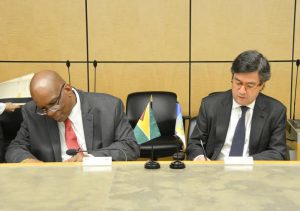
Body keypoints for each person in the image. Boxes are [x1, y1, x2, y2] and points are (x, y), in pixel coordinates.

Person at [5, 70, 140, 162]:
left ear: (68, 89)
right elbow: (15, 148)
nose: (50, 113)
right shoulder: (32, 112)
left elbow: (129, 147)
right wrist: (31, 163)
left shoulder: (109, 107)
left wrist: (89, 158)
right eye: (44, 109)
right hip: (54, 186)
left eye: (53, 103)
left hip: (98, 179)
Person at [187, 50, 287, 161]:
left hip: (254, 173)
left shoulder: (276, 111)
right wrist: (200, 158)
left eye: (249, 85)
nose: (242, 91)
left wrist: (244, 162)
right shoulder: (210, 105)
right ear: (232, 78)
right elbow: (195, 144)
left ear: (261, 85)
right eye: (238, 83)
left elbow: (278, 153)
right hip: (215, 171)